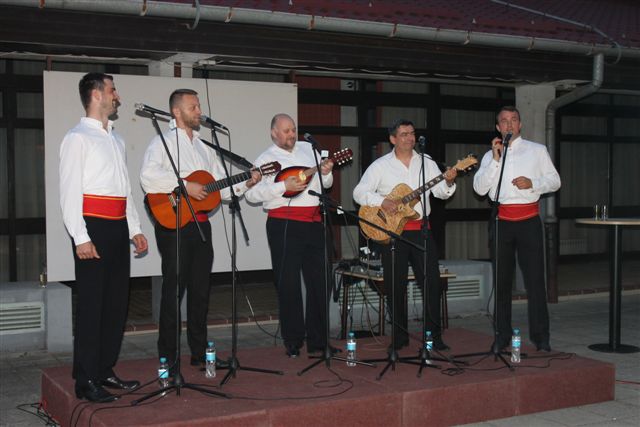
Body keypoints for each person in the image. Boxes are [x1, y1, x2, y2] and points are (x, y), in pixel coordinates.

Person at [140, 89, 261, 372]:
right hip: (174, 224)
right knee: (173, 292)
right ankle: (168, 358)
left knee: (201, 292)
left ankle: (199, 352)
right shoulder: (162, 142)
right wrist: (184, 184)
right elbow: (148, 177)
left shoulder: (206, 148)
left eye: (198, 106)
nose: (199, 112)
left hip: (201, 225)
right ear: (177, 112)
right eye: (193, 107)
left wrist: (247, 182)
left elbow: (222, 189)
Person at [59, 72, 148, 403]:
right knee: (92, 304)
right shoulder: (77, 138)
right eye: (112, 90)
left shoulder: (116, 139)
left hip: (117, 226)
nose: (117, 96)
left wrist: (135, 229)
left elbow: (124, 190)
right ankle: (85, 379)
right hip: (92, 227)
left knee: (116, 302)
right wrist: (80, 237)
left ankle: (104, 368)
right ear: (96, 95)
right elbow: (69, 191)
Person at [353, 119, 457, 352]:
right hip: (393, 234)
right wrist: (382, 201)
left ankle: (433, 337)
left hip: (422, 231)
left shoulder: (427, 163)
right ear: (393, 139)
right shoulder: (380, 166)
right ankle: (399, 337)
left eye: (412, 133)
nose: (410, 138)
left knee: (431, 284)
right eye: (404, 134)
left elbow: (441, 193)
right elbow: (359, 192)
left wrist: (449, 181)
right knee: (395, 287)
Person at [245, 113, 335, 358]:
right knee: (289, 283)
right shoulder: (265, 159)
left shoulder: (309, 149)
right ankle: (293, 340)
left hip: (314, 222)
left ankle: (318, 341)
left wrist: (326, 172)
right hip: (284, 224)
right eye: (286, 131)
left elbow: (325, 184)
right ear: (273, 133)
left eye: (293, 129)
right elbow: (251, 195)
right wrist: (283, 186)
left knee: (321, 282)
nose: (292, 135)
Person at [473, 105, 561, 352]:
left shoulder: (537, 150)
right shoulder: (490, 156)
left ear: (520, 124)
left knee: (535, 281)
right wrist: (495, 161)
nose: (509, 124)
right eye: (504, 120)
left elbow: (555, 181)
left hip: (528, 221)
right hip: (501, 222)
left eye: (514, 119)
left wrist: (533, 182)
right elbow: (479, 189)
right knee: (502, 283)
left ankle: (541, 338)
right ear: (498, 127)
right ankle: (502, 336)